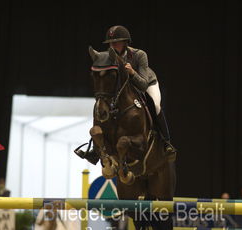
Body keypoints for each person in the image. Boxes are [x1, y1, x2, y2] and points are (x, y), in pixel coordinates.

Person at [75, 25, 176, 164]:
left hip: (145, 82)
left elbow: (143, 84)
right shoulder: (107, 57)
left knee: (156, 105)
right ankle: (95, 149)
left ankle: (166, 142)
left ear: (125, 42)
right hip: (123, 89)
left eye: (116, 42)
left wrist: (132, 72)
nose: (113, 45)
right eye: (111, 43)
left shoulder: (139, 55)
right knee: (102, 106)